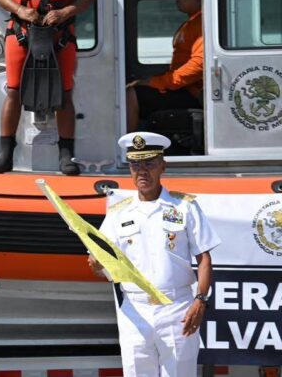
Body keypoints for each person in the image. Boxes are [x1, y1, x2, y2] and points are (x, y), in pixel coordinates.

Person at [88, 132, 220, 377]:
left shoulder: (185, 206)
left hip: (177, 307)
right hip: (134, 309)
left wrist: (200, 300)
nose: (142, 171)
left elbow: (204, 259)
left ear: (163, 165)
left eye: (149, 163)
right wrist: (98, 265)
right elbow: (104, 261)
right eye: (135, 164)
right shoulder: (118, 213)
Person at [0, 0, 97, 175]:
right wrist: (20, 10)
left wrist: (67, 11)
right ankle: (5, 153)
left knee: (64, 92)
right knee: (14, 90)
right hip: (22, 30)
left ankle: (66, 154)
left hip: (60, 33)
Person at [126, 0, 203, 132]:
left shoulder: (203, 23)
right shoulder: (191, 23)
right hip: (184, 89)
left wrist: (160, 82)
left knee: (132, 94)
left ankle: (128, 149)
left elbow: (199, 65)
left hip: (196, 95)